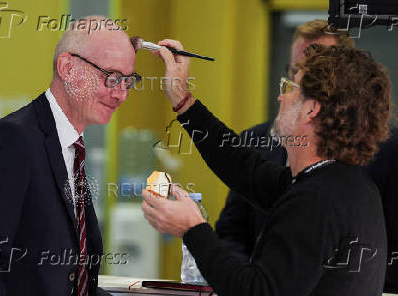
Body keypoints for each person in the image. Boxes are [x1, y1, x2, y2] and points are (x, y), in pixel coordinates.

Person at [142, 40, 392, 295]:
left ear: (311, 110)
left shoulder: (316, 200)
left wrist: (192, 229)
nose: (280, 96)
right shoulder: (342, 184)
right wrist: (181, 98)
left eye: (290, 88)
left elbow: (257, 290)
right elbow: (244, 168)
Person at [215, 19, 398, 293]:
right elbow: (244, 184)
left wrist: (192, 228)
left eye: (307, 78)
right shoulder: (274, 155)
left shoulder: (324, 191)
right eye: (294, 72)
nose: (282, 95)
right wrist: (184, 103)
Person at [0, 16, 138, 296]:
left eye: (129, 81)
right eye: (111, 77)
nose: (121, 94)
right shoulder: (13, 140)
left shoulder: (73, 147)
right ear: (67, 68)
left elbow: (74, 279)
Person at [215, 19, 354, 262]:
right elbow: (231, 232)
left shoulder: (382, 150)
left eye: (313, 75)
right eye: (294, 72)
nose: (297, 86)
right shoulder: (256, 140)